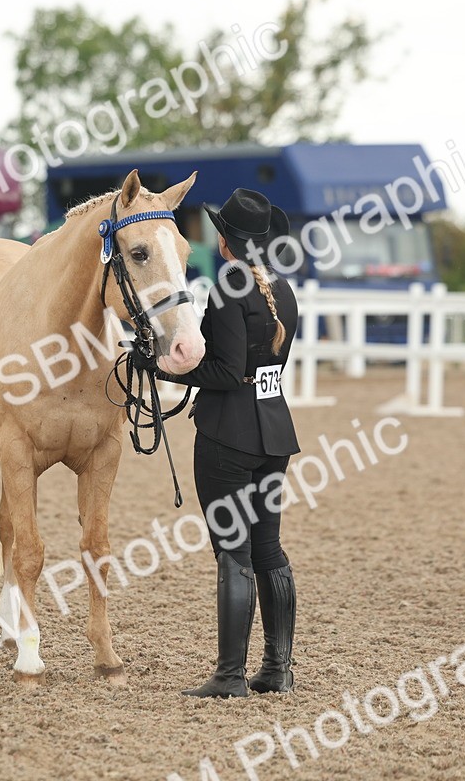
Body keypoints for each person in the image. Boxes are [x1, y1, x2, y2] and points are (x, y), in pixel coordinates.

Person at [157, 188, 301, 698]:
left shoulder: (226, 288)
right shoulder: (283, 290)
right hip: (274, 431)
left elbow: (226, 370)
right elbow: (266, 370)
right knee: (268, 548)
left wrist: (163, 366)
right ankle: (277, 669)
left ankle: (228, 675)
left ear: (226, 241)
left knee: (232, 552)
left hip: (227, 437)